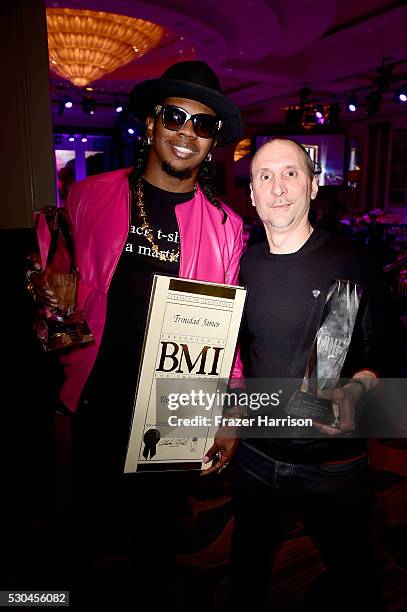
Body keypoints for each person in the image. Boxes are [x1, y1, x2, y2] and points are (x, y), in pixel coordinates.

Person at [28, 60, 244, 606]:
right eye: (175, 117)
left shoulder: (227, 227)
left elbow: (229, 330)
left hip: (172, 407)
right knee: (78, 534)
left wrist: (228, 413)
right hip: (95, 396)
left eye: (203, 125)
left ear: (213, 143)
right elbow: (56, 289)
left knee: (157, 542)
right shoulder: (87, 196)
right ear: (150, 124)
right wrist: (51, 299)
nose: (186, 133)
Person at [203, 137, 398, 611]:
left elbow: (389, 351)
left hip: (332, 464)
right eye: (264, 176)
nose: (278, 187)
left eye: (290, 173)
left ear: (313, 185)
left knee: (357, 579)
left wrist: (359, 386)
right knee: (247, 574)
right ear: (250, 195)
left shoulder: (352, 261)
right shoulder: (240, 266)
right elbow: (235, 357)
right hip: (255, 457)